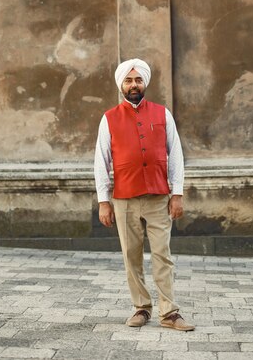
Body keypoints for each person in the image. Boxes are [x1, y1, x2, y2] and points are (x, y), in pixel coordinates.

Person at [94, 58, 195, 331]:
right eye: (128, 80)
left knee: (163, 254)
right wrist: (104, 201)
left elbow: (176, 157)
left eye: (138, 80)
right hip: (124, 198)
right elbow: (100, 161)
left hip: (158, 197)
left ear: (145, 83)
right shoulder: (109, 118)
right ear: (121, 85)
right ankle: (141, 308)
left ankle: (169, 313)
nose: (134, 85)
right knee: (131, 255)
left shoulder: (163, 114)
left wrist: (177, 193)